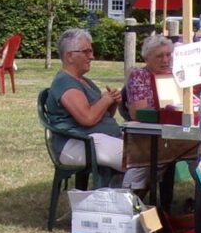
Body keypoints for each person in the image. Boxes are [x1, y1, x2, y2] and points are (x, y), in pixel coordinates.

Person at [46, 28, 146, 190]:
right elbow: (87, 118)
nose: (91, 56)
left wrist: (111, 103)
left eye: (91, 51)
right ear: (70, 56)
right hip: (77, 144)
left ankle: (121, 193)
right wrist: (106, 99)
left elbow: (101, 116)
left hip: (94, 140)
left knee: (151, 154)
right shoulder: (65, 83)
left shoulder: (84, 81)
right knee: (142, 159)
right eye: (86, 52)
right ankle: (119, 198)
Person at [125, 34, 173, 118]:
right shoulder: (139, 76)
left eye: (168, 55)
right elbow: (138, 114)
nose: (165, 60)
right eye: (159, 56)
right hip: (152, 127)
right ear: (146, 59)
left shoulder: (175, 74)